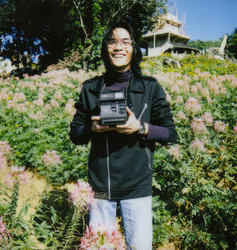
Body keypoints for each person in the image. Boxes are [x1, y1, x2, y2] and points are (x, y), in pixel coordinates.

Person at [69, 20, 177, 250]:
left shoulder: (150, 87)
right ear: (105, 48)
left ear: (134, 48)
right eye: (112, 41)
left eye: (125, 41)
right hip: (100, 186)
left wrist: (141, 127)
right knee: (98, 246)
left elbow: (170, 133)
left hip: (137, 187)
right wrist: (92, 129)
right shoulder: (91, 88)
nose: (119, 47)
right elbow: (75, 133)